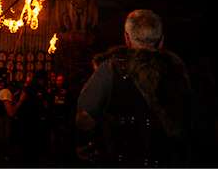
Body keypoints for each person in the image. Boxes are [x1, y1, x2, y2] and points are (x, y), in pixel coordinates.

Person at [76, 9, 193, 166]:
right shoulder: (179, 72)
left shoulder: (110, 69)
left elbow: (85, 119)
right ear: (161, 41)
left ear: (127, 38)